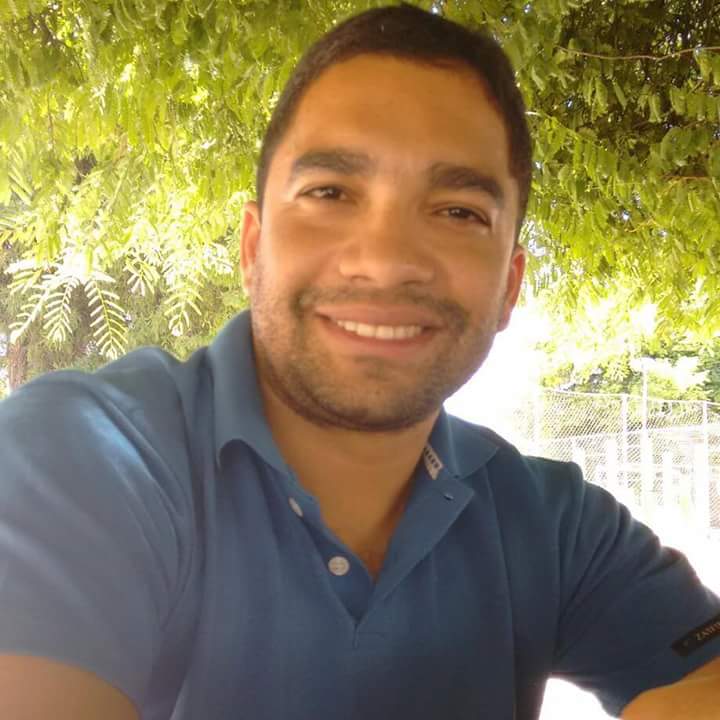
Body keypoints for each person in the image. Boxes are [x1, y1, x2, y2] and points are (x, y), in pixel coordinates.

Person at [0, 4, 718, 719]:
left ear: (509, 287)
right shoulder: (80, 457)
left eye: (459, 211)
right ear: (252, 249)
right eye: (329, 193)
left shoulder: (552, 526)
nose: (384, 261)